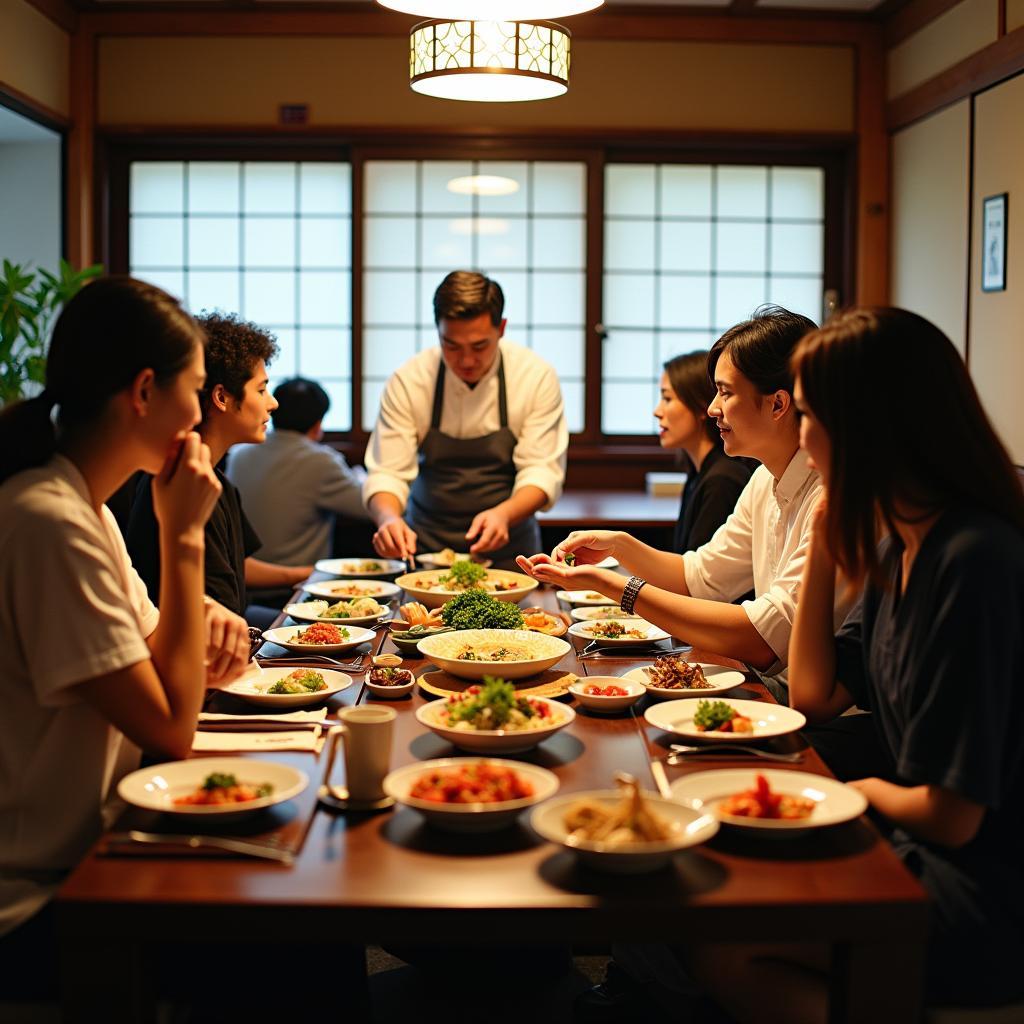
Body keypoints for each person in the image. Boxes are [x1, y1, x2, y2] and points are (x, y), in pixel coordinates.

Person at [0, 277, 248, 997]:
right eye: (197, 389)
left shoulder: (88, 510)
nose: (202, 412)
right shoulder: (48, 521)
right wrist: (184, 535)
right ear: (145, 392)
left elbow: (176, 660)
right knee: (291, 942)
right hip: (37, 893)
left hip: (102, 836)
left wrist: (200, 618)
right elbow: (172, 726)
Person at [787, 307, 1024, 1010]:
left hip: (983, 890)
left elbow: (951, 817)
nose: (802, 438)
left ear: (860, 426)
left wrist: (832, 798)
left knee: (721, 938)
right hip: (922, 847)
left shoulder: (973, 559)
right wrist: (824, 551)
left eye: (805, 416)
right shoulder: (903, 546)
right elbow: (812, 696)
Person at [519, 306, 857, 695]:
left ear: (779, 404)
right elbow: (701, 578)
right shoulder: (765, 477)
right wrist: (618, 544)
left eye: (725, 392)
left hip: (810, 711)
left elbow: (763, 639)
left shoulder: (832, 498)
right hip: (771, 687)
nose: (712, 408)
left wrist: (618, 587)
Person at [363, 271, 568, 567]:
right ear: (438, 332)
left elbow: (542, 470)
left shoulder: (534, 376)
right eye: (452, 346)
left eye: (480, 346)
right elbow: (387, 472)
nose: (467, 360)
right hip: (426, 548)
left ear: (502, 329)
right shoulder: (410, 379)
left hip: (510, 548)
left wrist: (504, 514)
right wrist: (388, 518)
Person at [127, 313, 313, 623]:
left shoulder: (215, 479)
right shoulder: (182, 484)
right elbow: (214, 606)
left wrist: (308, 573)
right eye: (262, 389)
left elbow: (234, 567)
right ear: (222, 397)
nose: (273, 403)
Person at [227, 377, 370, 567]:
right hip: (296, 584)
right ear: (318, 424)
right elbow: (370, 506)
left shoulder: (238, 454)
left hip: (244, 579)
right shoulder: (321, 461)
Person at [656, 351, 755, 553]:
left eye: (667, 398)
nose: (657, 411)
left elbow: (697, 579)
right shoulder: (699, 471)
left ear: (702, 406)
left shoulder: (722, 479)